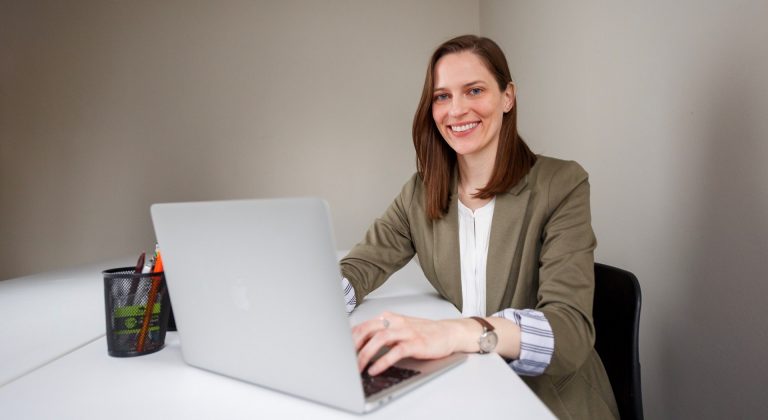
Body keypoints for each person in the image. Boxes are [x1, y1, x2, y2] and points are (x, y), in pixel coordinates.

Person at [340, 35, 618, 419]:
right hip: (464, 386)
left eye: (474, 90)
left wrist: (455, 332)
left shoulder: (562, 184)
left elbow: (569, 334)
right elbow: (360, 266)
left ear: (508, 97)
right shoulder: (421, 192)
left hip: (546, 399)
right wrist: (316, 306)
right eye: (442, 96)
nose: (456, 110)